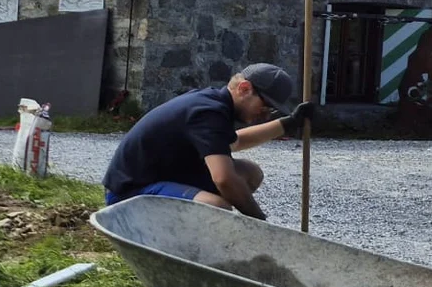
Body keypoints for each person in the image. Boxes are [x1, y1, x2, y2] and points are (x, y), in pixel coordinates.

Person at [102, 64, 311, 218]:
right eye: (265, 107)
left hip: (162, 176)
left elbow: (234, 143)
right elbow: (224, 179)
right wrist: (258, 220)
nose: (266, 115)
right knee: (217, 207)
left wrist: (289, 123)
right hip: (129, 193)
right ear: (245, 88)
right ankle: (179, 245)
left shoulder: (214, 103)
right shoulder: (207, 113)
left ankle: (191, 229)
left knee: (249, 173)